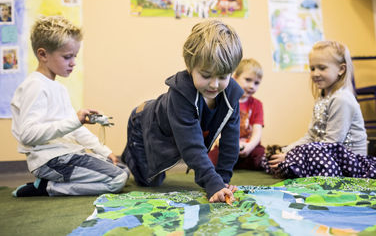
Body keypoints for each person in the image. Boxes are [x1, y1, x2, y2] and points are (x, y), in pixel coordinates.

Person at [121, 19, 243, 203]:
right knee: (149, 180)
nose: (214, 84)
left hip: (172, 130)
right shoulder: (180, 94)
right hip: (143, 121)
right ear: (189, 67)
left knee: (160, 171)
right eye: (206, 75)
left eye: (223, 77)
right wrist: (212, 182)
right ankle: (124, 158)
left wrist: (222, 181)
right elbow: (192, 146)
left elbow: (230, 142)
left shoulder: (231, 95)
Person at [11, 15, 129, 197]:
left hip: (67, 154)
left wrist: (104, 151)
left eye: (74, 56)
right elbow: (27, 135)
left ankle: (47, 184)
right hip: (50, 160)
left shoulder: (58, 88)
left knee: (123, 171)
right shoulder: (35, 86)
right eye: (67, 57)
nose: (73, 62)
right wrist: (75, 120)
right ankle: (47, 187)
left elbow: (74, 130)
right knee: (117, 179)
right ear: (43, 54)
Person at [266, 40, 376, 178]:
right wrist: (285, 150)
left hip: (349, 162)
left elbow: (332, 143)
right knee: (273, 158)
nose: (315, 73)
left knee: (291, 161)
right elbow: (311, 136)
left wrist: (291, 155)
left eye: (322, 68)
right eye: (312, 68)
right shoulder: (322, 98)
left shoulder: (342, 99)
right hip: (325, 153)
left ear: (341, 69)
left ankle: (291, 164)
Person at [208, 58, 265, 170]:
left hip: (247, 146)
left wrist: (249, 146)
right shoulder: (223, 101)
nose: (252, 86)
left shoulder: (257, 105)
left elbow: (257, 131)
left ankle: (237, 162)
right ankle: (234, 162)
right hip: (226, 144)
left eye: (256, 83)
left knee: (260, 154)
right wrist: (222, 142)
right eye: (248, 80)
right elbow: (217, 127)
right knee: (210, 159)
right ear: (235, 78)